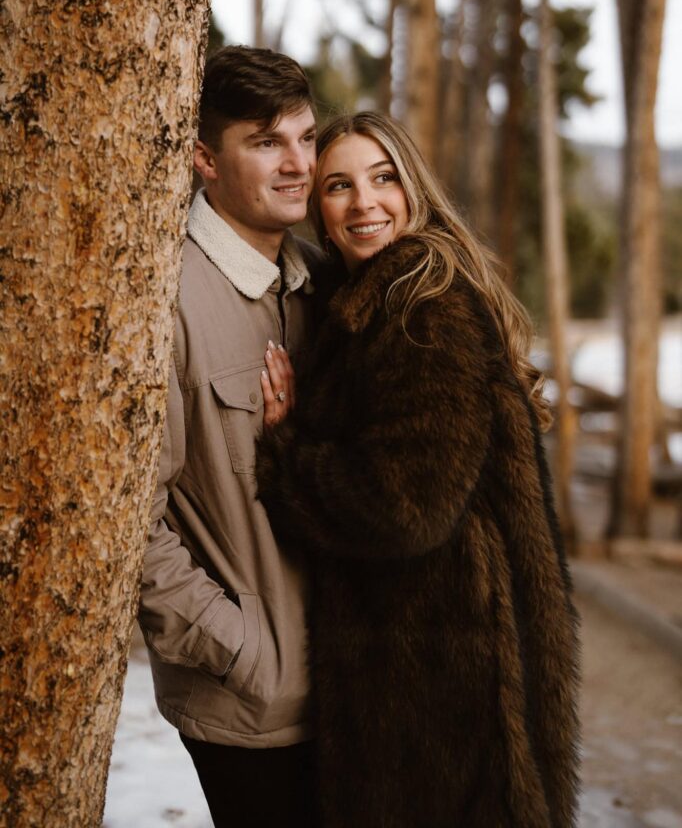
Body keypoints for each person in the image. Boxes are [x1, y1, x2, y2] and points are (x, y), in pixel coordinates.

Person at [256, 112, 581, 828]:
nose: (364, 202)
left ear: (414, 190)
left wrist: (284, 453)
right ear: (320, 211)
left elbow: (403, 507)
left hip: (441, 692)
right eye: (338, 186)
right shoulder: (376, 303)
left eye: (383, 178)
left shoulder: (421, 308)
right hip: (433, 673)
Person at [138, 45, 323, 828]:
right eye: (266, 141)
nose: (298, 165)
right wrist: (245, 651)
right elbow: (130, 528)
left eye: (307, 138)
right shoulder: (163, 302)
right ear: (204, 159)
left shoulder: (322, 282)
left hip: (350, 694)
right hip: (251, 710)